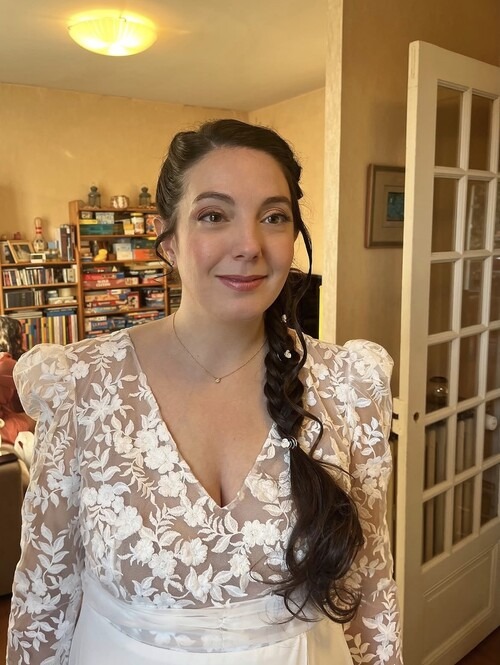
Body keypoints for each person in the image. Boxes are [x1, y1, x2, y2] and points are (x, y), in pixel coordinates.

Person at [7, 119, 403, 664]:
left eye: (274, 217)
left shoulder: (349, 386)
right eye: (214, 215)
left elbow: (371, 584)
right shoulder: (83, 384)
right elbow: (45, 597)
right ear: (168, 240)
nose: (249, 245)